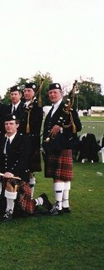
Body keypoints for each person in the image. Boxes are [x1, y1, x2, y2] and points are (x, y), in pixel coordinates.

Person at [0, 114, 52, 221]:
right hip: (4, 175)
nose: (8, 126)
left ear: (17, 125)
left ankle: (9, 211)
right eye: (6, 124)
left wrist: (12, 172)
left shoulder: (24, 139)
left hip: (19, 175)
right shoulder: (2, 139)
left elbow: (23, 159)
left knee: (26, 209)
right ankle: (40, 201)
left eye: (11, 124)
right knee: (18, 207)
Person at [42, 83, 82, 215]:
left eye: (55, 92)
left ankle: (58, 206)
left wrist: (61, 127)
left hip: (62, 145)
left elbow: (78, 126)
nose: (52, 94)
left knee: (59, 176)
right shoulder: (53, 109)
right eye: (51, 92)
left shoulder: (68, 109)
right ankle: (65, 204)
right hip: (53, 145)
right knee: (62, 177)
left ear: (61, 93)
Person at [19, 82, 44, 198]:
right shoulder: (22, 105)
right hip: (21, 141)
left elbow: (36, 124)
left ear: (34, 93)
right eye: (25, 91)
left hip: (32, 142)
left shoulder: (37, 107)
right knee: (22, 169)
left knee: (30, 171)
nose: (26, 93)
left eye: (29, 91)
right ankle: (22, 194)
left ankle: (30, 197)